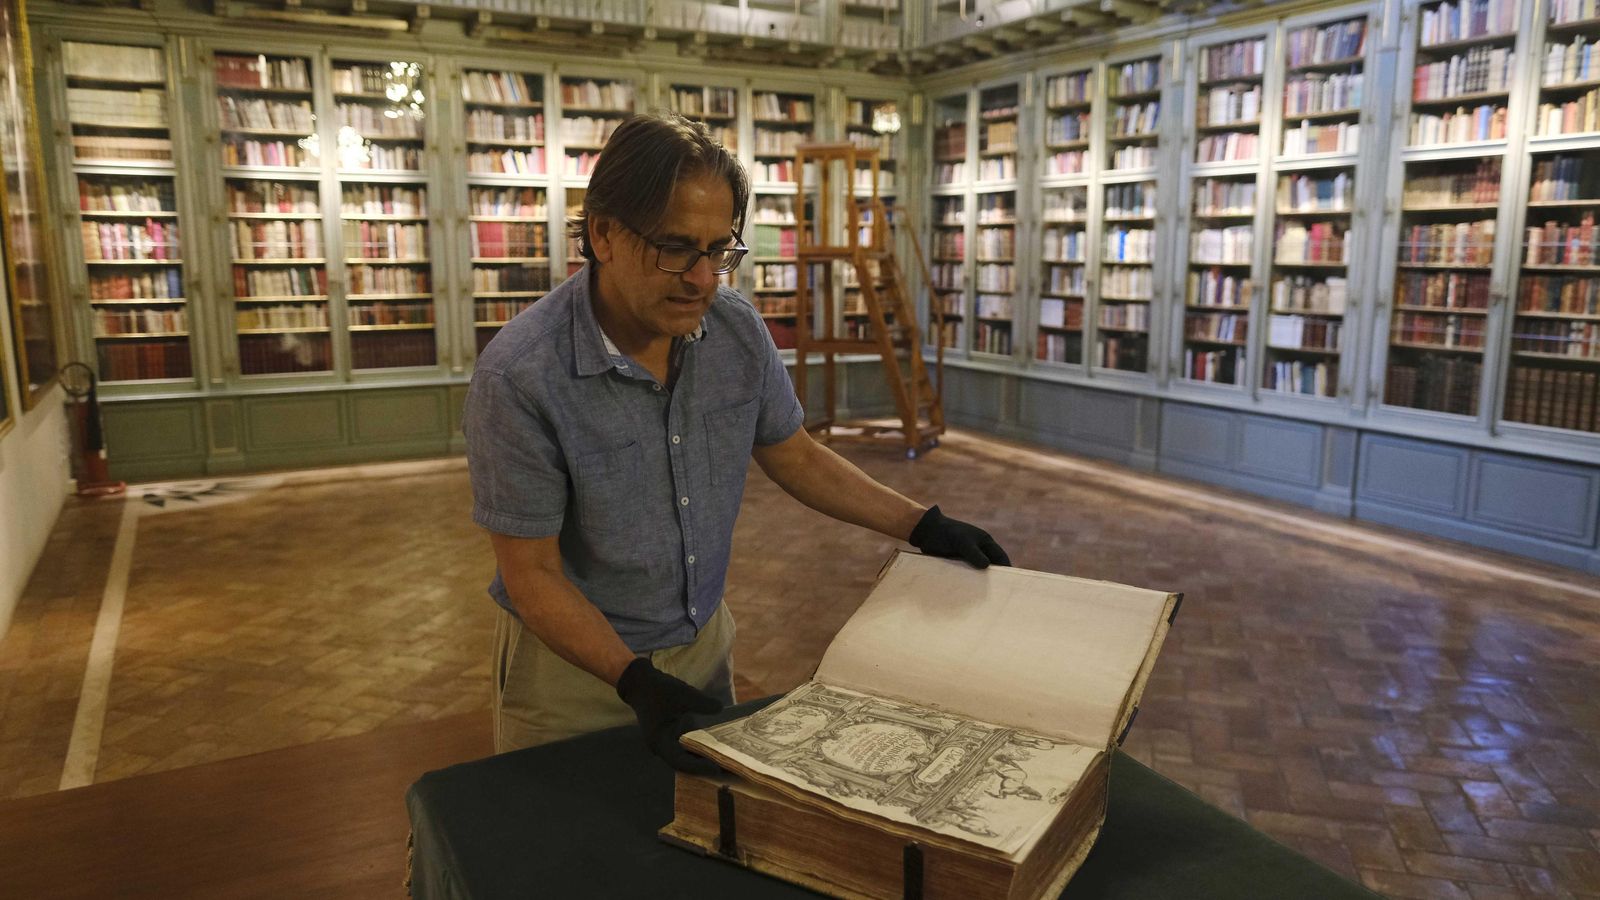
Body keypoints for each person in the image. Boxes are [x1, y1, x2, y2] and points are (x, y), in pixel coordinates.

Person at [462, 112, 1008, 773]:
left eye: (719, 249)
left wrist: (921, 524)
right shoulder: (521, 374)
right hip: (569, 676)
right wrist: (632, 679)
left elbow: (794, 453)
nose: (702, 278)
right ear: (602, 234)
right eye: (674, 248)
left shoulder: (736, 330)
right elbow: (533, 575)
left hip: (701, 652)